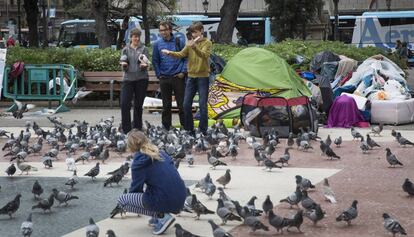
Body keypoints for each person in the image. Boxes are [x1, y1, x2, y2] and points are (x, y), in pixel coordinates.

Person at [115, 130, 186, 235]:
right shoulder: (161, 153)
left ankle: (161, 216)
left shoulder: (138, 162)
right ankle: (157, 215)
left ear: (130, 147)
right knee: (154, 187)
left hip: (165, 199)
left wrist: (142, 196)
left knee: (123, 201)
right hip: (181, 197)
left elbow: (136, 189)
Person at [162, 21, 212, 135]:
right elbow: (181, 54)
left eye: (196, 32)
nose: (194, 35)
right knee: (185, 104)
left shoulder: (207, 43)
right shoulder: (190, 43)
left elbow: (204, 56)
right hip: (191, 77)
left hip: (203, 77)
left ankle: (203, 130)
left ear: (201, 31)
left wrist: (194, 47)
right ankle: (190, 129)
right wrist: (170, 53)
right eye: (192, 33)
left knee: (202, 105)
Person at [152, 21, 187, 130]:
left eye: (165, 30)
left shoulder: (179, 41)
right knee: (166, 105)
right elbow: (155, 60)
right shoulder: (157, 44)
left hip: (178, 77)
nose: (163, 32)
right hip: (164, 78)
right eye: (161, 30)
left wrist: (183, 72)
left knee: (182, 104)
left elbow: (186, 57)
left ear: (170, 30)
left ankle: (185, 127)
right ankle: (166, 127)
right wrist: (159, 74)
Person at [119, 28, 149, 134]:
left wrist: (144, 66)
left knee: (138, 104)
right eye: (134, 36)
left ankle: (137, 127)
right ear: (131, 37)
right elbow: (122, 63)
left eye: (138, 36)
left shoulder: (144, 49)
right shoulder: (125, 49)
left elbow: (146, 62)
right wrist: (124, 65)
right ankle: (126, 129)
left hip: (141, 79)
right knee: (124, 104)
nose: (136, 38)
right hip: (128, 79)